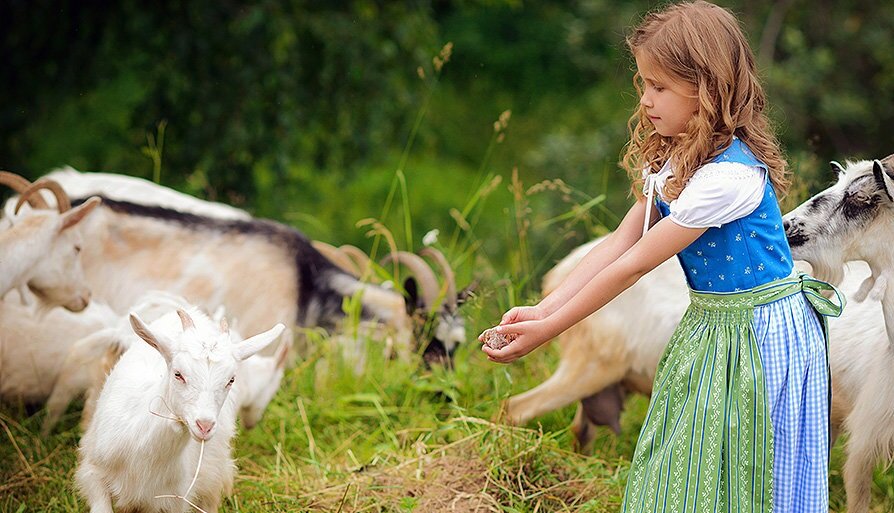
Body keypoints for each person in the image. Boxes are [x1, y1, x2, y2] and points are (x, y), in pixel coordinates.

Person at [481, 2, 844, 512]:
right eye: (644, 84)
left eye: (660, 86)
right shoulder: (677, 156)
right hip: (712, 326)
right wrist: (544, 309)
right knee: (682, 463)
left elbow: (635, 265)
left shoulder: (729, 178)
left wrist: (551, 329)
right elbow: (619, 242)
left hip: (761, 336)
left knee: (749, 472)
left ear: (707, 89)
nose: (646, 100)